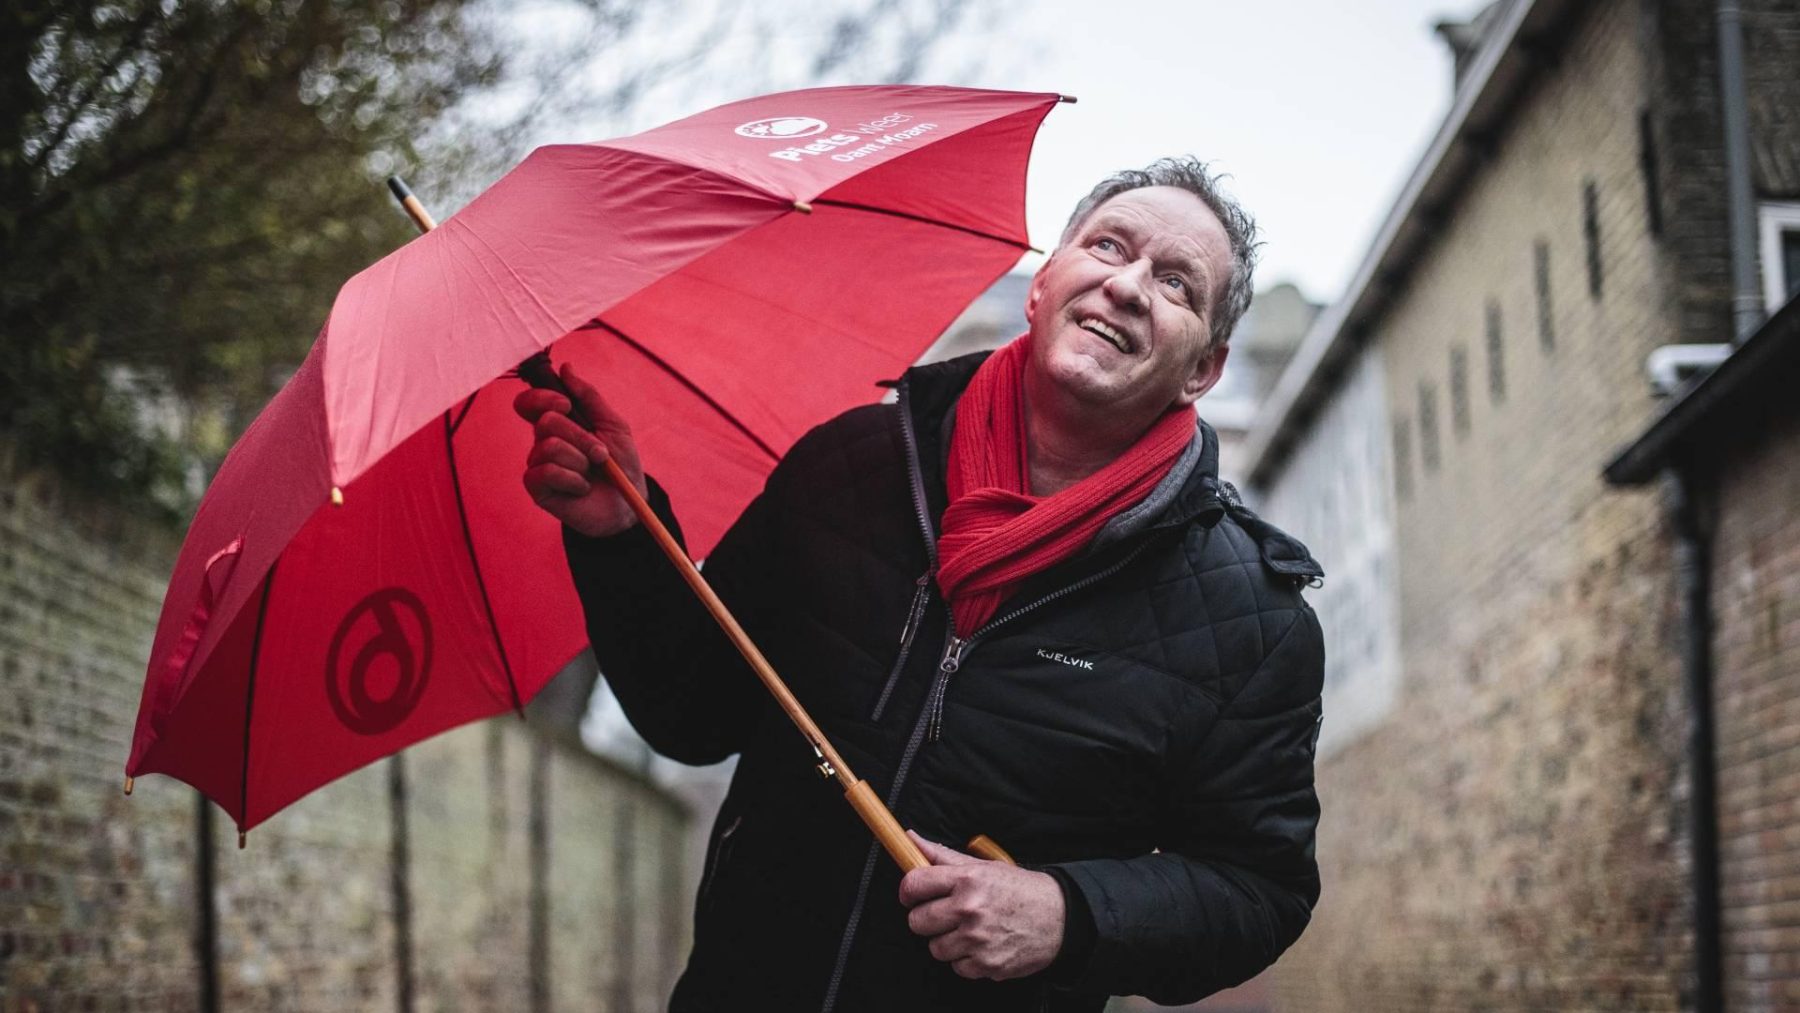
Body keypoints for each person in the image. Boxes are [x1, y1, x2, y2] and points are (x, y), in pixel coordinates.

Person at [514, 157, 1325, 1013]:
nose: (1127, 286)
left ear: (1205, 369)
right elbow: (693, 715)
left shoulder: (1250, 617)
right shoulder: (850, 468)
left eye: (1175, 283)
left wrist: (1070, 914)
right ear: (1043, 285)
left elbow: (1258, 888)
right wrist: (624, 540)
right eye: (1107, 246)